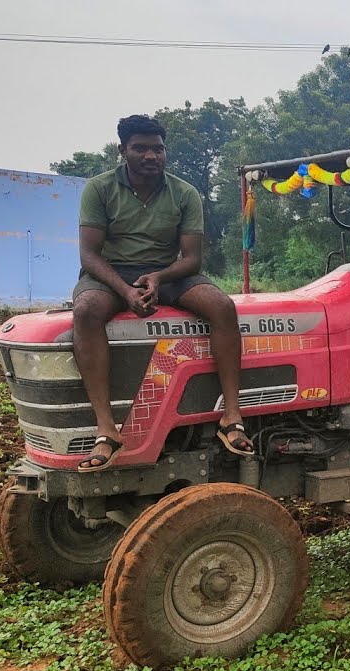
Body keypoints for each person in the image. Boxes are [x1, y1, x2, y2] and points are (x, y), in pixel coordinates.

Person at [72, 114, 253, 471]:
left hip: (168, 272)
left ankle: (231, 416)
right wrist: (125, 290)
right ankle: (108, 430)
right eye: (141, 149)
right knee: (87, 310)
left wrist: (157, 277)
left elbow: (192, 258)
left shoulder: (184, 193)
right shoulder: (99, 188)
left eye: (158, 149)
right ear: (122, 150)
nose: (151, 156)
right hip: (113, 272)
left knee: (222, 305)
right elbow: (89, 254)